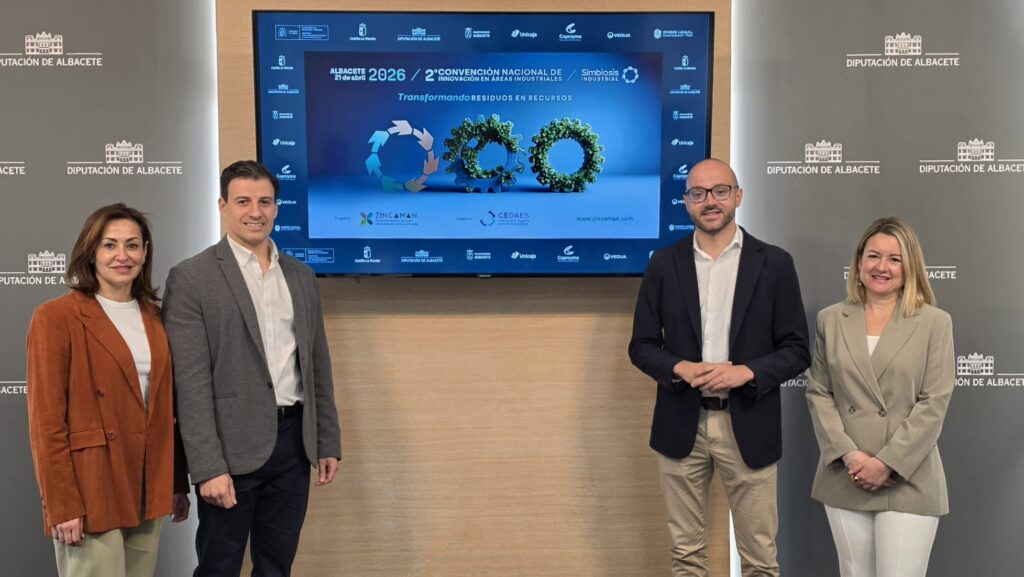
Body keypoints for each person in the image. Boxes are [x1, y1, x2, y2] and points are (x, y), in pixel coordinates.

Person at [628, 158, 810, 577]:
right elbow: (641, 346)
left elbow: (798, 349)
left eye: (720, 191)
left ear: (738, 196)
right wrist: (680, 368)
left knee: (759, 559)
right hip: (681, 425)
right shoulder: (663, 264)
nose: (710, 201)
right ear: (686, 202)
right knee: (686, 557)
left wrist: (746, 372)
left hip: (749, 423)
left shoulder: (774, 263)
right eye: (698, 193)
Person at [163, 160, 342, 577]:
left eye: (265, 202)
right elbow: (190, 384)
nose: (255, 212)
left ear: (277, 208)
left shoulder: (301, 276)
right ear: (223, 206)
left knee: (277, 565)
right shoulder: (191, 278)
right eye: (243, 201)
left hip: (293, 443)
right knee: (219, 567)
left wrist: (326, 440)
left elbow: (317, 364)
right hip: (229, 448)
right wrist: (208, 467)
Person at [26, 203, 190, 577]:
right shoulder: (56, 317)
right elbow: (46, 424)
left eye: (132, 245)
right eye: (110, 245)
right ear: (91, 252)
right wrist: (61, 504)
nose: (122, 256)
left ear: (145, 252)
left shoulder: (157, 317)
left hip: (148, 485)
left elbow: (167, 410)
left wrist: (175, 482)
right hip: (90, 488)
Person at [805, 217, 954, 577]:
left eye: (894, 259)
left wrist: (887, 463)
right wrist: (851, 456)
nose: (881, 267)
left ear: (910, 266)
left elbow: (934, 402)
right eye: (873, 256)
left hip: (908, 475)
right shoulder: (830, 320)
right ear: (858, 262)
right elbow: (819, 392)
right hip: (846, 473)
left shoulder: (934, 322)